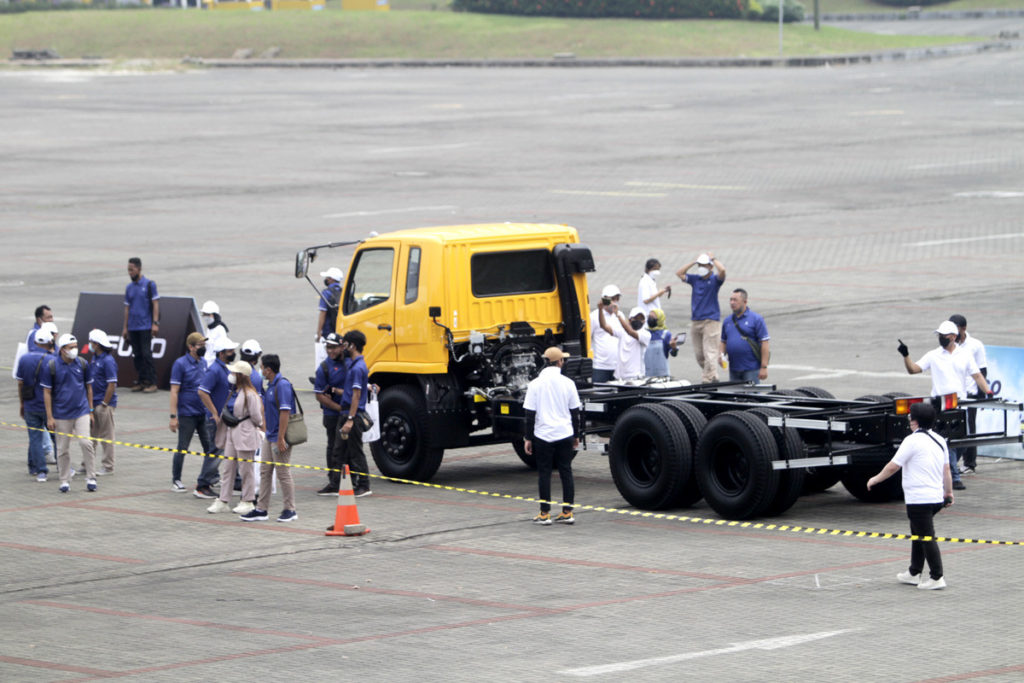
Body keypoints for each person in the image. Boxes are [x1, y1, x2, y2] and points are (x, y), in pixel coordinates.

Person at [867, 402, 952, 590]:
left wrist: (875, 479)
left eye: (910, 417)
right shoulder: (939, 439)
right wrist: (948, 493)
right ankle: (914, 572)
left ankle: (937, 577)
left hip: (919, 499)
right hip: (935, 497)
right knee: (918, 533)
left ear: (915, 421)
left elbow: (893, 466)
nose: (908, 420)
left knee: (926, 536)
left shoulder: (911, 441)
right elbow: (946, 470)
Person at [898, 320, 990, 491]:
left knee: (960, 441)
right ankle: (953, 477)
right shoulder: (933, 355)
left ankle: (949, 472)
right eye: (939, 336)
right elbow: (914, 369)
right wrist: (906, 355)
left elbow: (977, 375)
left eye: (944, 336)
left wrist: (988, 392)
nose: (941, 338)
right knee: (946, 441)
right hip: (939, 405)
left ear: (953, 337)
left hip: (958, 404)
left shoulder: (965, 355)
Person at [523, 347, 582, 525]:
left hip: (543, 435)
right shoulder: (568, 383)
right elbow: (575, 412)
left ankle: (545, 513)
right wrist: (576, 435)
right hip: (565, 433)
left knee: (544, 473)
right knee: (566, 471)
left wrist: (528, 438)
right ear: (560, 362)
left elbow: (529, 414)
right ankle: (567, 511)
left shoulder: (534, 384)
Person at [242, 354, 298, 523]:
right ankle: (261, 509)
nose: (260, 371)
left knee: (283, 473)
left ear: (268, 369)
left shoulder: (282, 385)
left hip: (280, 437)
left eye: (262, 367)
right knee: (265, 471)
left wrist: (281, 438)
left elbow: (285, 412)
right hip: (270, 436)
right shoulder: (272, 385)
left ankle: (290, 509)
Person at [207, 361, 265, 515]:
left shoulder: (250, 394)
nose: (231, 376)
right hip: (231, 433)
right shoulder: (234, 391)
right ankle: (223, 500)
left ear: (240, 376)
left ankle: (248, 500)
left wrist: (253, 427)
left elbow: (257, 418)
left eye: (234, 373)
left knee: (246, 470)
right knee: (228, 468)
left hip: (245, 434)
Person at [42, 334, 97, 493]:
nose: (74, 350)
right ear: (62, 349)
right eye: (71, 347)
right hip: (61, 414)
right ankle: (64, 480)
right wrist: (50, 416)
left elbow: (89, 388)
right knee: (63, 448)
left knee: (86, 443)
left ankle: (91, 477)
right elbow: (47, 392)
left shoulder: (82, 363)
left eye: (76, 346)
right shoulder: (52, 366)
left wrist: (91, 410)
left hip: (82, 411)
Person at [195, 336, 240, 499]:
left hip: (225, 418)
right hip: (217, 420)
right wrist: (214, 413)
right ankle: (203, 484)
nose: (233, 353)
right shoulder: (214, 370)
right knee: (216, 451)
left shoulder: (225, 368)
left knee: (231, 449)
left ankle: (236, 480)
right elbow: (202, 391)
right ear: (221, 354)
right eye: (230, 351)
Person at [169, 332, 213, 493]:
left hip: (202, 412)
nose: (203, 348)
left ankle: (209, 477)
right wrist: (173, 416)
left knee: (209, 447)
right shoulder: (180, 364)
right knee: (183, 447)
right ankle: (176, 479)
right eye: (200, 345)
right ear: (191, 347)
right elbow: (174, 391)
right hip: (187, 413)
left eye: (204, 345)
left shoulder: (204, 363)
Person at [676, 252, 726, 383]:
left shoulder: (715, 280)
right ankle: (712, 375)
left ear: (710, 267)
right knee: (699, 355)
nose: (701, 268)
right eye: (700, 265)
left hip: (711, 321)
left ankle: (708, 378)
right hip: (696, 320)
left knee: (710, 352)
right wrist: (693, 262)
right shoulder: (695, 279)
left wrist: (713, 259)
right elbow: (679, 273)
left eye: (704, 265)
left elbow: (722, 270)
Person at [335, 330, 373, 497]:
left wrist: (350, 419)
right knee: (344, 451)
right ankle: (350, 483)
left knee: (356, 451)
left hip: (353, 416)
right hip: (346, 412)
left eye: (345, 343)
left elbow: (356, 395)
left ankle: (364, 485)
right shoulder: (353, 364)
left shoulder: (358, 368)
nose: (343, 346)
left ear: (353, 345)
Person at [16, 328, 55, 482]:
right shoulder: (51, 359)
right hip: (48, 407)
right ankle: (63, 467)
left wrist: (21, 403)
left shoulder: (24, 359)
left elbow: (20, 383)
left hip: (30, 405)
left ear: (35, 342)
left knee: (35, 439)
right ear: (49, 342)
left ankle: (40, 471)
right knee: (57, 438)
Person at [950, 314, 987, 474]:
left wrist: (982, 394)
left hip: (970, 392)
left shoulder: (975, 345)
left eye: (955, 330)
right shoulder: (949, 345)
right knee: (953, 428)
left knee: (970, 429)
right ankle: (952, 463)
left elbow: (982, 370)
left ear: (963, 329)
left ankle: (970, 463)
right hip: (953, 393)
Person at [314, 333, 350, 495]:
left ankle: (352, 478)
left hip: (349, 414)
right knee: (333, 447)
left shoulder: (350, 364)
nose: (331, 351)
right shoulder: (324, 368)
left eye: (334, 347)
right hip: (332, 415)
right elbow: (319, 395)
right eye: (328, 347)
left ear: (342, 347)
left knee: (349, 447)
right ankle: (334, 481)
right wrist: (338, 408)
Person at [122, 257, 160, 393]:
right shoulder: (129, 288)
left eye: (132, 270)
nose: (130, 272)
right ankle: (142, 380)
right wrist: (125, 328)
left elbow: (155, 304)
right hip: (133, 326)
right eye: (128, 270)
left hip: (145, 326)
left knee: (146, 354)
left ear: (139, 269)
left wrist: (155, 323)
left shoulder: (149, 284)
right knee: (137, 355)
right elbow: (127, 308)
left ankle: (152, 381)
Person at [719, 288, 770, 383]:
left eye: (735, 300)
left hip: (751, 369)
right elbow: (723, 341)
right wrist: (721, 355)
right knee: (735, 396)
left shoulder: (756, 319)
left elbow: (765, 343)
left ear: (745, 302)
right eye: (731, 300)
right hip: (734, 368)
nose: (732, 303)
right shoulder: (727, 321)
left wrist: (764, 367)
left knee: (752, 396)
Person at [87, 329, 118, 476]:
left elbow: (111, 384)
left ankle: (108, 465)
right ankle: (87, 463)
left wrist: (105, 404)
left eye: (92, 342)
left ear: (97, 344)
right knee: (90, 436)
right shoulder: (94, 358)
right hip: (93, 404)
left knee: (107, 436)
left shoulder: (108, 361)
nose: (90, 345)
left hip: (104, 404)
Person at [599, 305, 650, 381]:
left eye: (641, 319)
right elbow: (604, 326)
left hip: (635, 377)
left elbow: (630, 332)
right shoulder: (622, 332)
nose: (638, 321)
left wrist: (618, 315)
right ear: (630, 320)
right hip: (619, 377)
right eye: (636, 318)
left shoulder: (645, 334)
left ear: (644, 321)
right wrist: (600, 310)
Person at [590, 284, 623, 383]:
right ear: (604, 300)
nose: (614, 302)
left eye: (616, 299)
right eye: (611, 299)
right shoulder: (594, 316)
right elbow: (588, 339)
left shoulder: (619, 315)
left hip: (618, 366)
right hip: (600, 366)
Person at [315, 266, 344, 368]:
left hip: (328, 331)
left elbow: (323, 313)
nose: (326, 279)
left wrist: (319, 332)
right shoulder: (344, 292)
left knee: (328, 353)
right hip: (341, 329)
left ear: (331, 279)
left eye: (327, 277)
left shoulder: (326, 293)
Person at [643, 309, 681, 379]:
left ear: (659, 320)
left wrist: (674, 348)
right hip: (646, 374)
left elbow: (674, 354)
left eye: (652, 317)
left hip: (662, 375)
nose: (650, 319)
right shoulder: (644, 333)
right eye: (649, 317)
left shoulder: (666, 334)